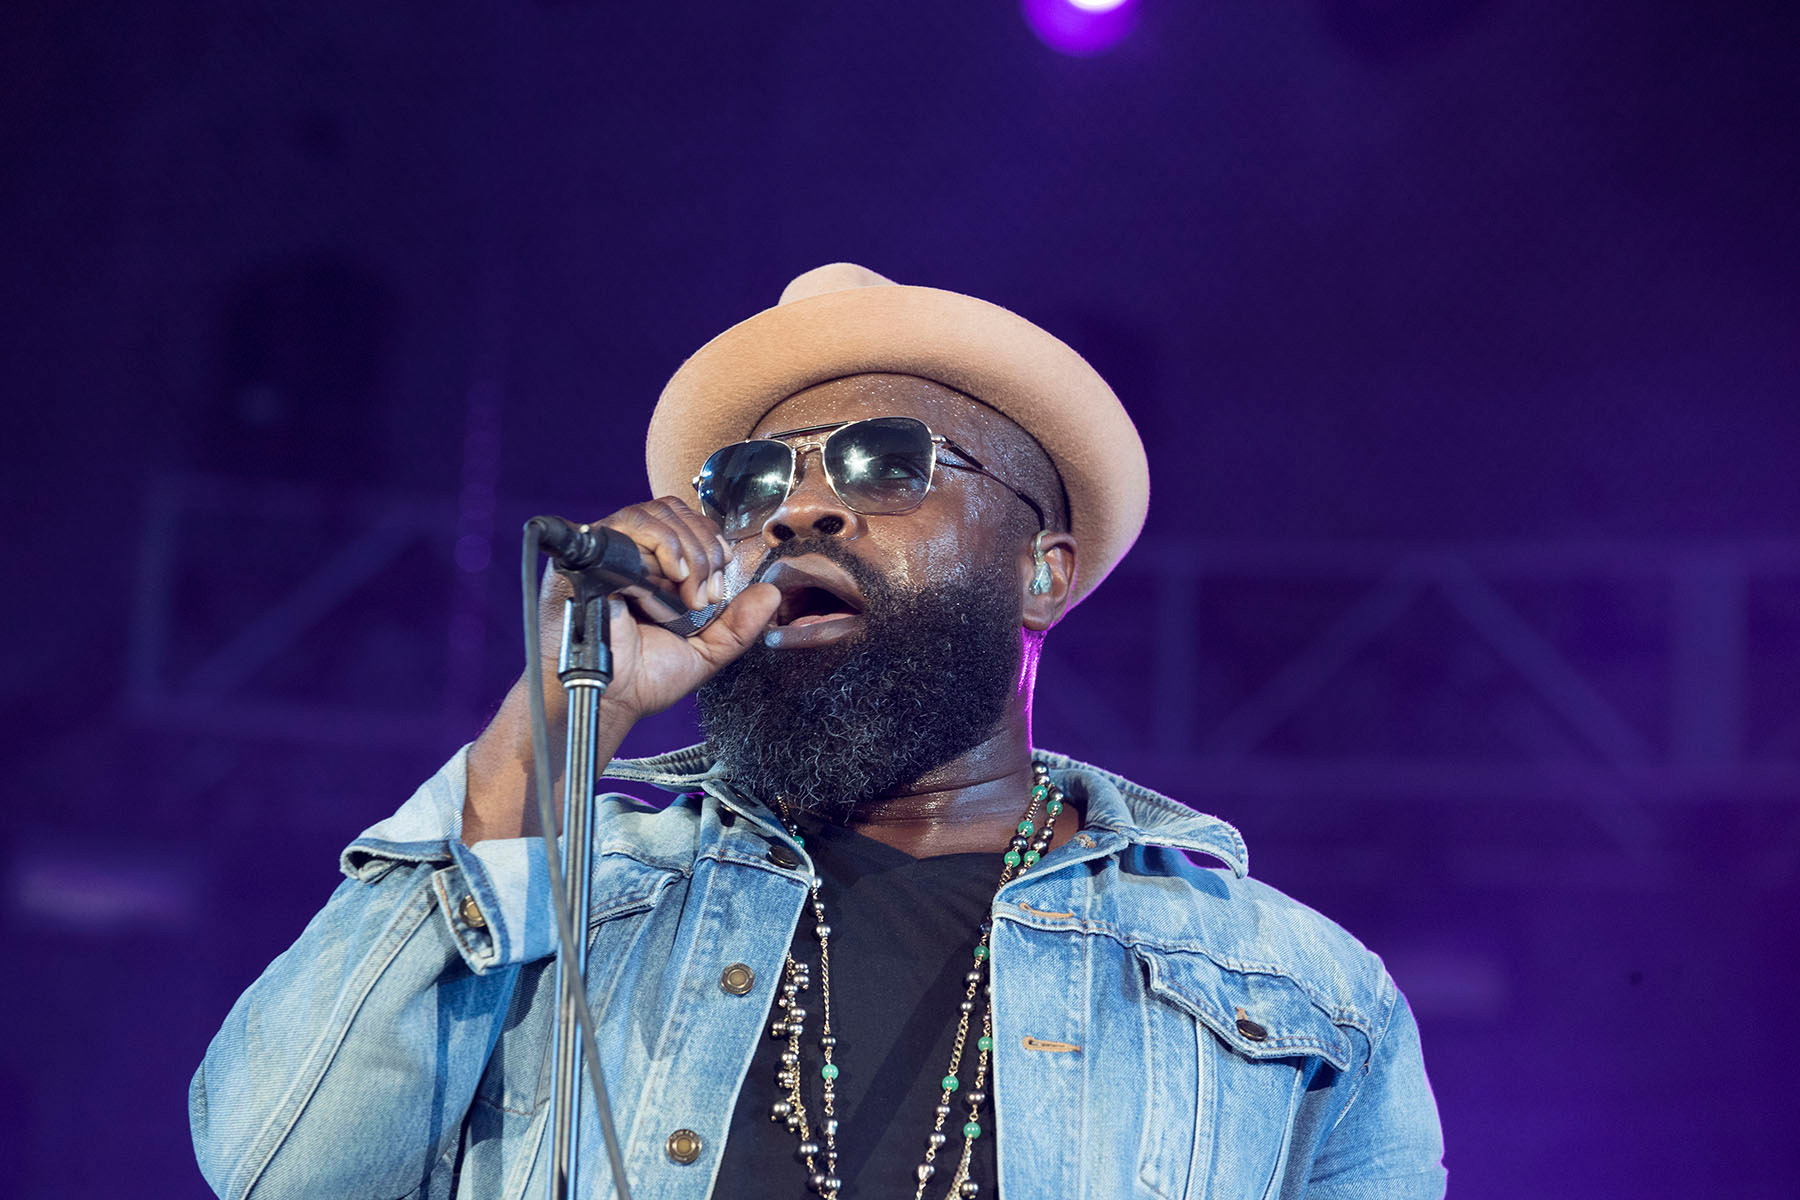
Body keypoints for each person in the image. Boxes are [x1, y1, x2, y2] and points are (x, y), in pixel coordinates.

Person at [190, 263, 1447, 1200]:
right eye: (751, 482)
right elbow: (277, 1168)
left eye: (883, 466)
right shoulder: (585, 899)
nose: (798, 513)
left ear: (1043, 574)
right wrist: (547, 734)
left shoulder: (1292, 993)